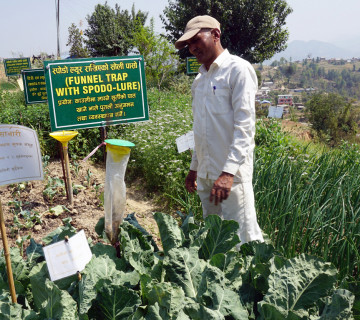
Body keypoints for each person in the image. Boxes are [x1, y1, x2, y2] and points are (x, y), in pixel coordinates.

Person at [175, 15, 264, 245]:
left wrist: (228, 173)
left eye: (196, 40)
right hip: (206, 176)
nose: (192, 48)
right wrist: (194, 168)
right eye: (188, 45)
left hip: (231, 178)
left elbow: (245, 128)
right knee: (215, 240)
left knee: (245, 239)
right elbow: (200, 130)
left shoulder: (238, 70)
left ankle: (257, 280)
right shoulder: (199, 80)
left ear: (215, 34)